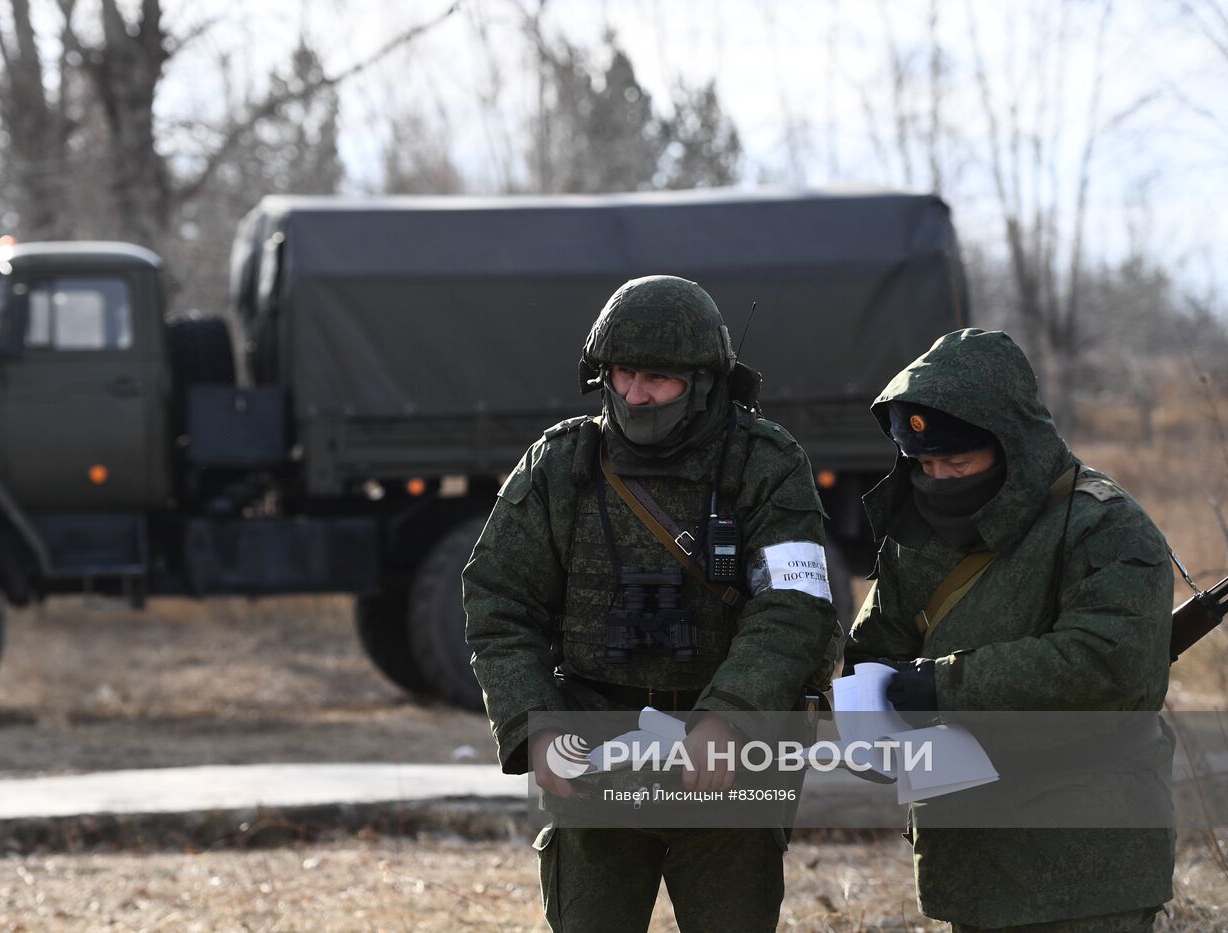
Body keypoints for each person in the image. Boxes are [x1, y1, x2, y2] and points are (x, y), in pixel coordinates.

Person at [463, 275, 838, 933]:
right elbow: (499, 599)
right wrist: (535, 726)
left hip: (727, 765)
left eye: (656, 379)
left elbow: (794, 605)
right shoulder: (560, 465)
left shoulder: (766, 464)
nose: (634, 394)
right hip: (592, 757)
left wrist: (730, 717)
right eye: (623, 373)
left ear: (702, 382)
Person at [847, 328, 1175, 932]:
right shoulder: (918, 530)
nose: (940, 479)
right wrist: (867, 717)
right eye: (924, 464)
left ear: (1012, 447)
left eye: (958, 462)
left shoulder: (1105, 526)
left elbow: (1108, 663)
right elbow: (877, 649)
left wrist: (941, 687)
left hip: (1088, 865)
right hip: (969, 860)